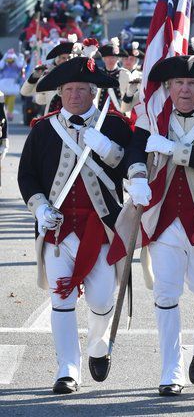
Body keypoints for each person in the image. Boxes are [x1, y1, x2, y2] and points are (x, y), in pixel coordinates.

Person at [17, 52, 133, 394]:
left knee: (100, 300)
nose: (74, 95)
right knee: (61, 299)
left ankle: (99, 346)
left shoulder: (113, 125)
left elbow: (129, 167)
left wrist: (110, 149)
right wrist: (39, 208)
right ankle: (67, 367)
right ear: (60, 92)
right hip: (57, 229)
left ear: (94, 91)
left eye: (82, 89)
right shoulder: (43, 129)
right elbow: (27, 176)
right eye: (68, 89)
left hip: (101, 229)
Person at [123, 54, 194, 396]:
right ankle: (170, 370)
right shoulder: (154, 116)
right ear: (168, 86)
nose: (186, 89)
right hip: (163, 219)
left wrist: (174, 149)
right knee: (166, 293)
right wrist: (137, 175)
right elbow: (134, 150)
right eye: (180, 83)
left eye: (193, 83)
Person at [20, 36, 77, 114]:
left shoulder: (79, 76)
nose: (67, 61)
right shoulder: (49, 76)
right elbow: (26, 93)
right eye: (64, 58)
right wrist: (35, 76)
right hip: (53, 120)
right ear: (58, 60)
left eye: (69, 58)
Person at [97, 39, 130, 112]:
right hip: (100, 112)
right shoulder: (99, 73)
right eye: (107, 57)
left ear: (118, 59)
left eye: (113, 57)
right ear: (103, 59)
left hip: (120, 112)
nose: (110, 60)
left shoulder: (125, 74)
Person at [0, 48, 25, 120]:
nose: (10, 63)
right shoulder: (4, 65)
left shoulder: (16, 66)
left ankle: (9, 113)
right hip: (4, 84)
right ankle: (3, 112)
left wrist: (19, 58)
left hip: (13, 84)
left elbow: (21, 66)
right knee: (4, 100)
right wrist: (4, 58)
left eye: (12, 61)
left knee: (11, 99)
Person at [120, 42, 144, 116]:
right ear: (122, 60)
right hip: (118, 110)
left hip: (136, 111)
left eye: (131, 59)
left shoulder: (142, 76)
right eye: (126, 58)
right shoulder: (116, 74)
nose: (128, 61)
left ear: (136, 61)